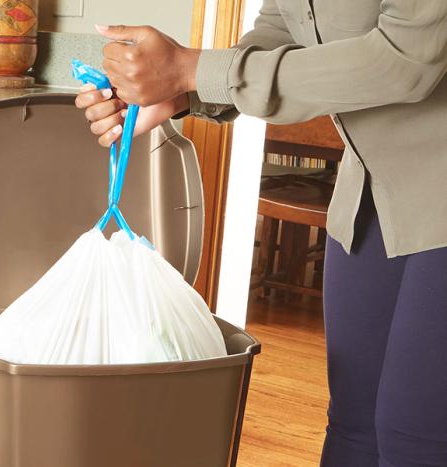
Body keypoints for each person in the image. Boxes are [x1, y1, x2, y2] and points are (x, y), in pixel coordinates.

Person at [75, 2, 447, 466]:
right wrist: (181, 92)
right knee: (354, 424)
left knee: (417, 437)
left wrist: (191, 69)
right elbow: (279, 30)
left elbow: (402, 62)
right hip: (370, 193)